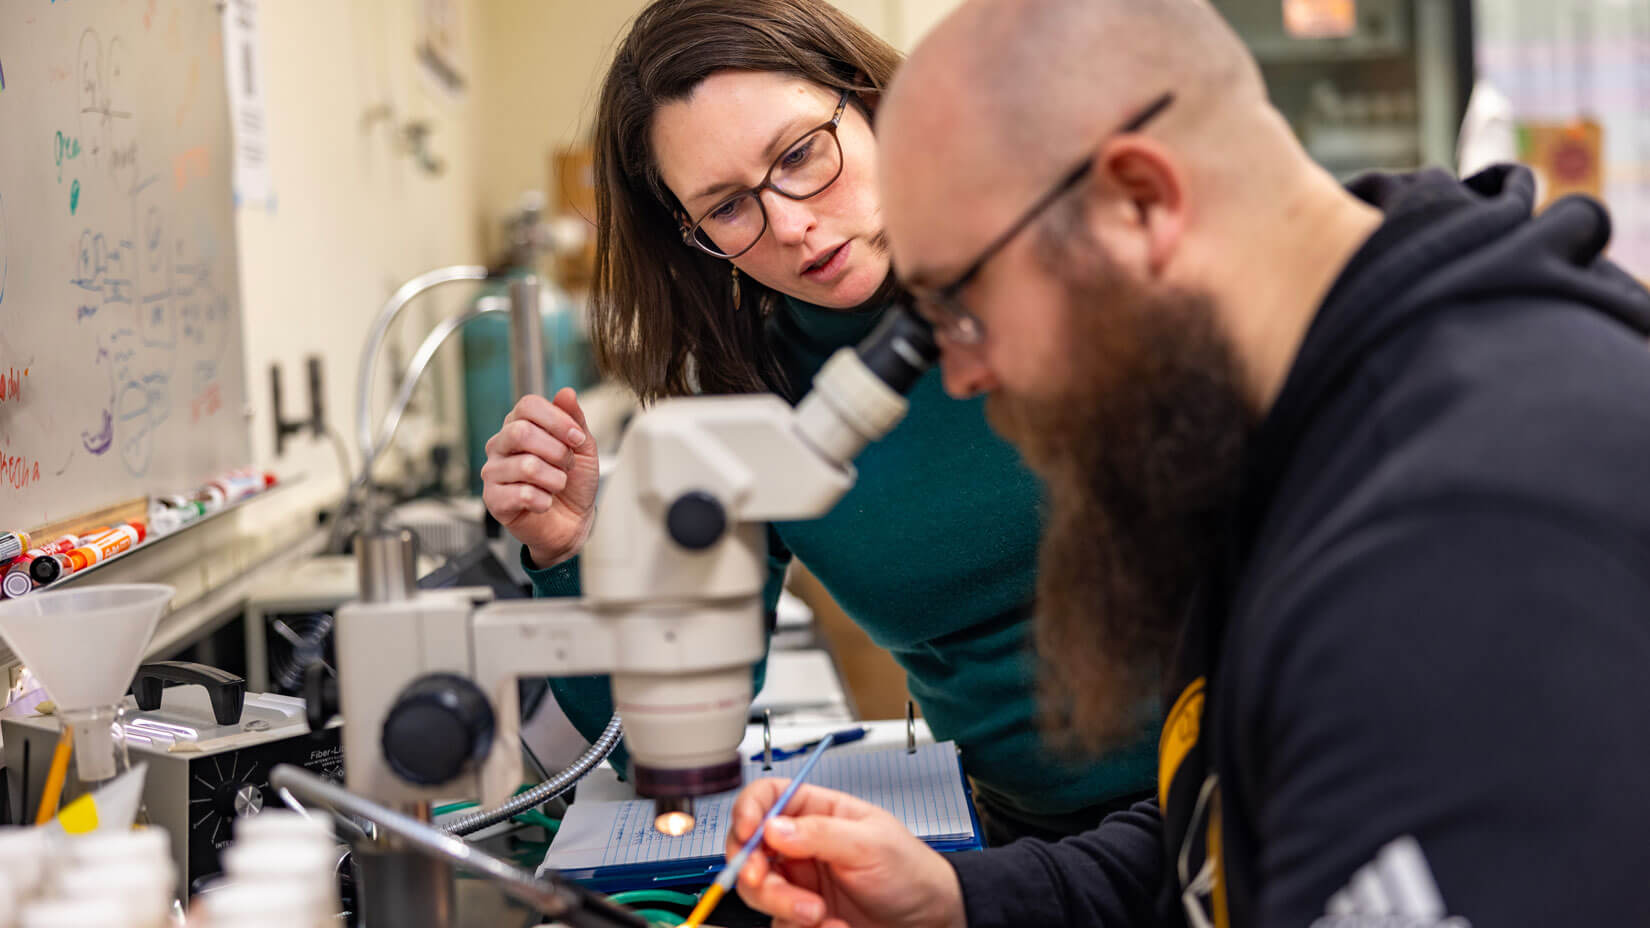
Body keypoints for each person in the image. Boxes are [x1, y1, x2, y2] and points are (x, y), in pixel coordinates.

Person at [723, 0, 1650, 926]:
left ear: (1141, 199)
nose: (962, 377)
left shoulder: (1494, 524)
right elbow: (1226, 842)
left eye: (962, 306)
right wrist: (964, 899)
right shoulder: (1289, 438)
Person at [477, 0, 1160, 844]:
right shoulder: (746, 397)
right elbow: (659, 738)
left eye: (802, 154)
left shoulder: (1090, 258)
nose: (792, 224)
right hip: (1033, 849)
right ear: (690, 235)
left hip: (1258, 791)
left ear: (870, 101)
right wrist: (569, 552)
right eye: (728, 207)